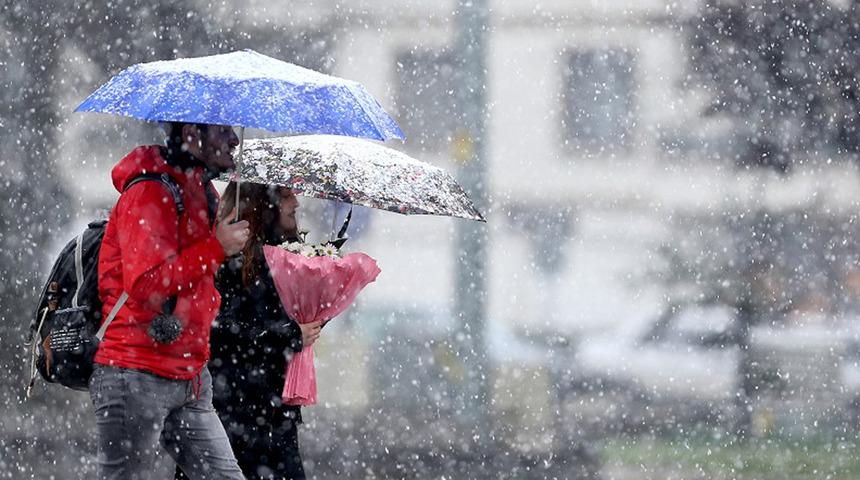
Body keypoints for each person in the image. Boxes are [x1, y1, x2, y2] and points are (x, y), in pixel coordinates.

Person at [92, 122, 250, 480]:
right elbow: (147, 285)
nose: (233, 140)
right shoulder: (149, 191)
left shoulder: (202, 189)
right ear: (192, 132)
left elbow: (199, 277)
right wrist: (216, 248)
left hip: (191, 376)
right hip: (135, 373)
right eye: (222, 130)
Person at [175, 181, 322, 480]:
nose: (296, 203)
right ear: (263, 204)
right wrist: (289, 335)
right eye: (286, 196)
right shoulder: (226, 259)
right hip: (230, 408)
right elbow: (219, 329)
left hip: (271, 410)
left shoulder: (285, 257)